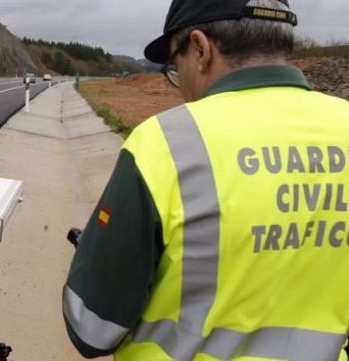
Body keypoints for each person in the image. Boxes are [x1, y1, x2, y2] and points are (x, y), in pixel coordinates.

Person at [62, 0, 349, 360]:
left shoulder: (164, 144)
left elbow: (91, 328)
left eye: (174, 66)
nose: (178, 81)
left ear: (200, 48)